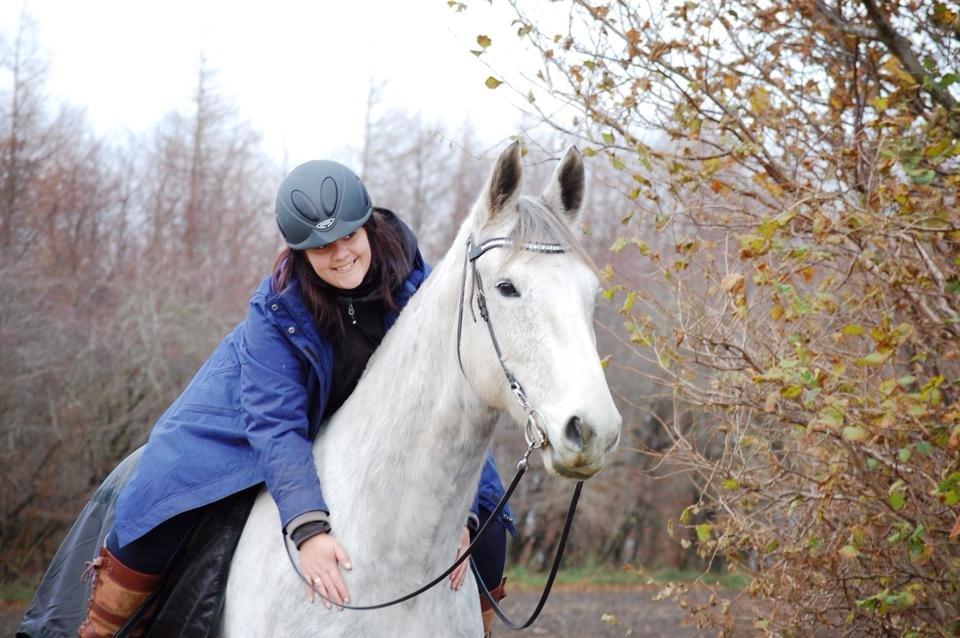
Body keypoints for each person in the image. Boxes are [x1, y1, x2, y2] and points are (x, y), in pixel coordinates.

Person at [75, 160, 514, 637]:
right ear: (300, 251)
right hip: (248, 417)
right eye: (321, 246)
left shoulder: (418, 285)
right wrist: (308, 530)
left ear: (368, 226)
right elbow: (277, 424)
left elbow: (444, 400)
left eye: (349, 236)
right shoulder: (275, 310)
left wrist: (461, 514)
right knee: (159, 509)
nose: (341, 253)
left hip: (374, 425)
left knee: (490, 532)